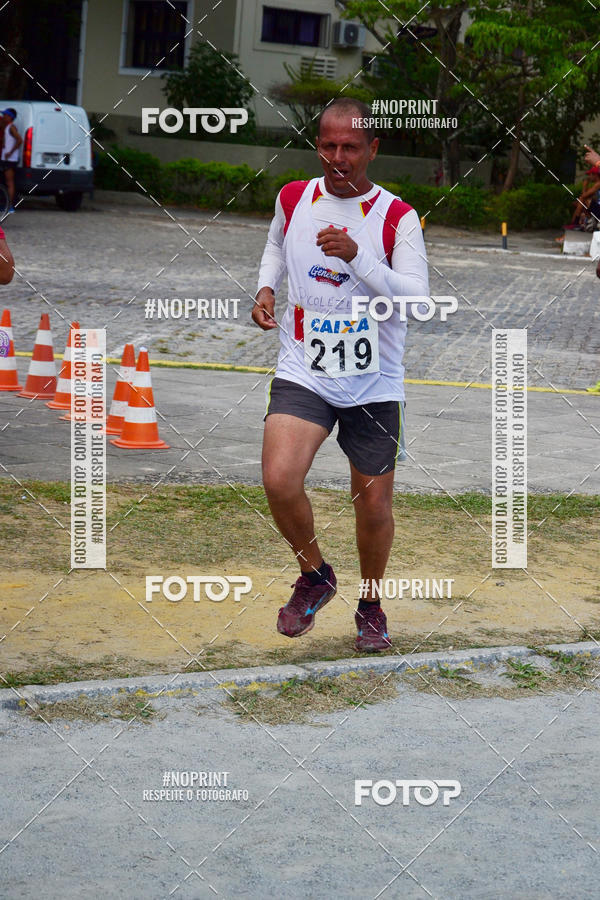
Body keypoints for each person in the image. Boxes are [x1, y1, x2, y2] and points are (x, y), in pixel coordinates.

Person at [253, 98, 429, 652]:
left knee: (372, 505)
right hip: (305, 367)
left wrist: (359, 258)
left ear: (372, 149)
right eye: (328, 145)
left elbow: (417, 299)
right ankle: (315, 576)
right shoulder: (294, 197)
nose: (338, 157)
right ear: (317, 146)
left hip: (374, 379)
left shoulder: (397, 217)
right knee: (279, 480)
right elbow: (275, 243)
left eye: (350, 146)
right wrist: (265, 288)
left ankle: (371, 606)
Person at [1, 108, 23, 214]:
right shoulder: (7, 127)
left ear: (10, 117)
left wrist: (10, 152)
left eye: (5, 115)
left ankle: (10, 206)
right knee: (6, 182)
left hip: (10, 160)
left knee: (9, 183)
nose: (3, 117)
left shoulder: (11, 127)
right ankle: (6, 204)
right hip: (6, 159)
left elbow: (20, 140)